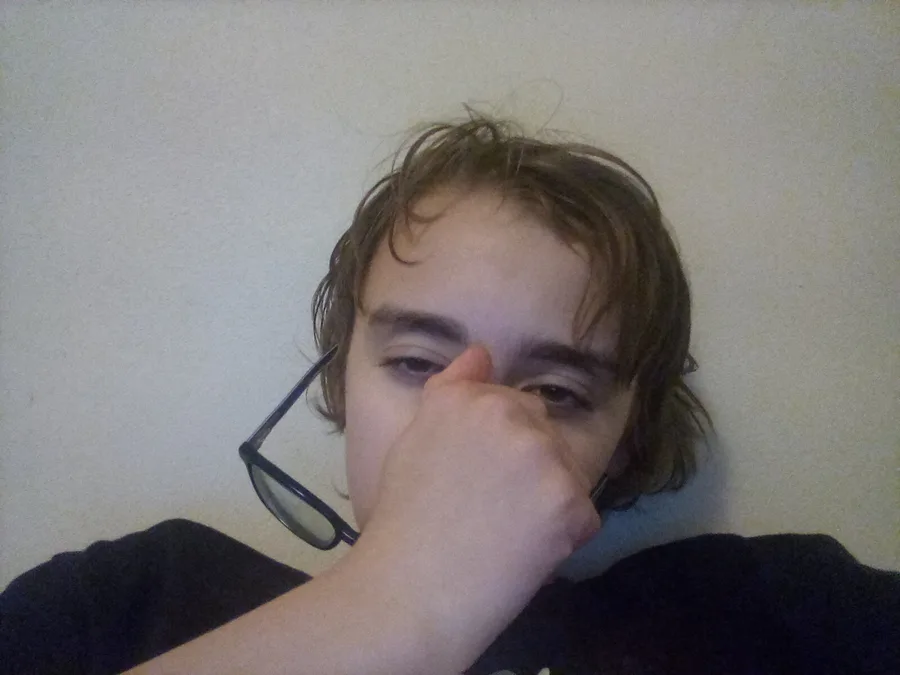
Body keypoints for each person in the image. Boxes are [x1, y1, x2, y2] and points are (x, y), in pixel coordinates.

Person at [1, 114, 897, 675]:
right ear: (341, 379)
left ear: (627, 437)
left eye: (555, 389)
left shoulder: (774, 612)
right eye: (417, 364)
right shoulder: (126, 603)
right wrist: (399, 598)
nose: (474, 420)